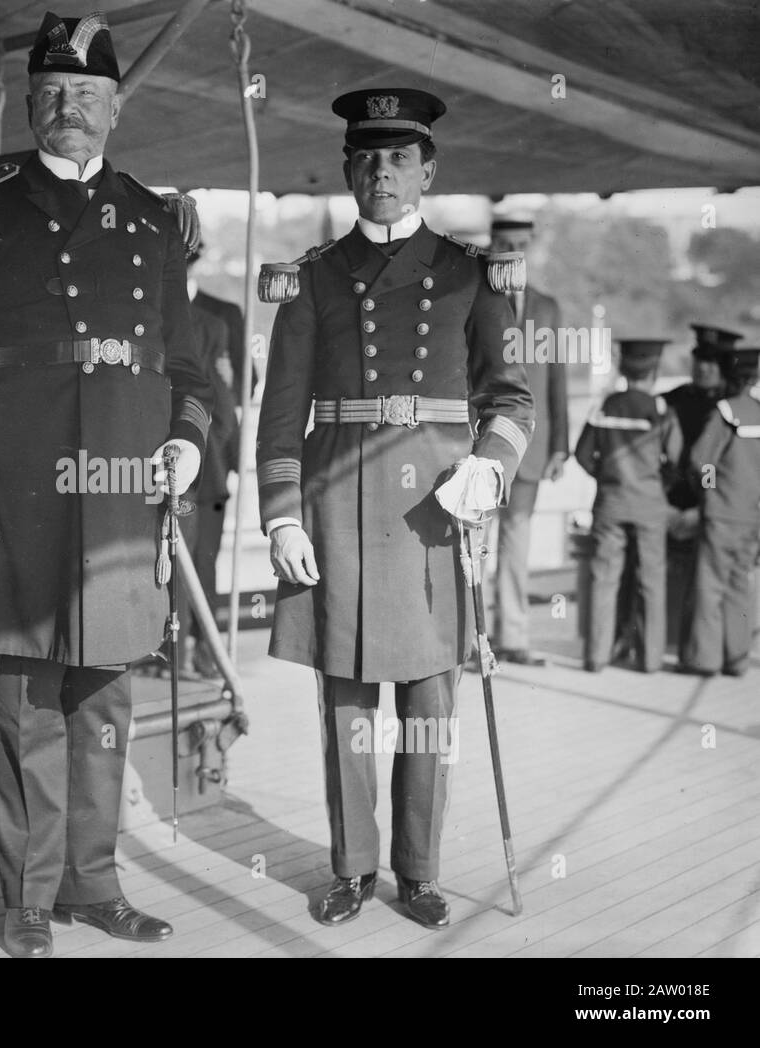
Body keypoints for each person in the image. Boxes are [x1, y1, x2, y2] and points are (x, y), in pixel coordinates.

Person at [0, 11, 212, 959]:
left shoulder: (157, 220)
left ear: (115, 108)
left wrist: (188, 446)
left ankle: (95, 884)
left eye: (87, 96)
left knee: (106, 695)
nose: (68, 109)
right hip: (19, 489)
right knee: (30, 693)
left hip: (124, 487)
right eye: (51, 95)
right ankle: (28, 899)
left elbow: (191, 371)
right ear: (32, 105)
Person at [256, 88, 533, 930]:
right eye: (367, 158)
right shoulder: (310, 280)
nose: (382, 172)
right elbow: (280, 417)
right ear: (348, 170)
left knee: (428, 703)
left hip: (434, 513)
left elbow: (513, 401)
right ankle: (350, 869)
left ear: (427, 171)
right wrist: (281, 516)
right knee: (346, 701)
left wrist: (486, 472)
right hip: (336, 506)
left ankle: (417, 870)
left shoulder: (473, 276)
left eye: (399, 159)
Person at [487, 217, 568, 666]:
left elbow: (556, 380)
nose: (513, 251)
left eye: (520, 244)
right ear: (492, 245)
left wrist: (561, 444)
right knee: (473, 545)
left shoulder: (548, 308)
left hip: (531, 448)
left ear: (530, 247)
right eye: (504, 243)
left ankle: (513, 637)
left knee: (517, 543)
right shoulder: (472, 298)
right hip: (481, 446)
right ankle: (469, 639)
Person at [575, 339, 682, 673]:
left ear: (622, 369)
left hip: (610, 503)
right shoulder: (661, 410)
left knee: (604, 578)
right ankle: (649, 661)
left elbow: (581, 454)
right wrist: (657, 483)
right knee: (651, 580)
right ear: (653, 371)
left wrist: (605, 476)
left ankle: (596, 657)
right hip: (649, 505)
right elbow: (677, 459)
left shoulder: (604, 406)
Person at [175, 249, 241, 679]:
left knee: (201, 557)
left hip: (206, 466)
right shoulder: (200, 322)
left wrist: (224, 456)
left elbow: (227, 393)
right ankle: (181, 648)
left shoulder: (215, 321)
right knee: (187, 557)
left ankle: (194, 649)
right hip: (186, 462)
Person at [660, 323, 743, 654]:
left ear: (724, 367)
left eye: (712, 362)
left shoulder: (734, 406)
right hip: (673, 502)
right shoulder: (675, 399)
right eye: (699, 361)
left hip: (714, 506)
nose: (702, 368)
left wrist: (703, 507)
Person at [679, 346, 760, 677]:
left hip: (721, 515)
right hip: (752, 517)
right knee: (742, 585)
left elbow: (701, 460)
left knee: (709, 587)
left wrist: (708, 489)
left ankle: (705, 660)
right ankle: (738, 658)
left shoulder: (725, 412)